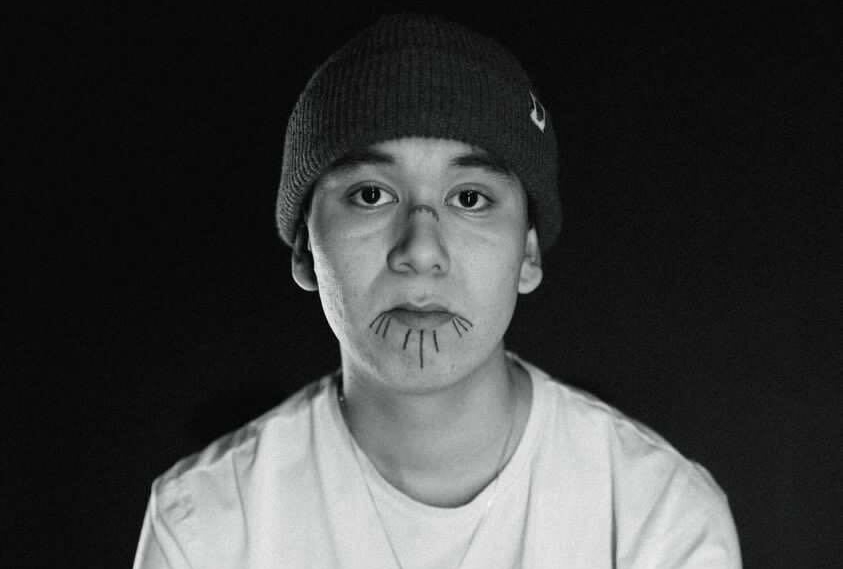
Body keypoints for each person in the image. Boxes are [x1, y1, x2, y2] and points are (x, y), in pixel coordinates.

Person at [133, 13, 741, 569]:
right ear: (304, 250)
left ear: (527, 253)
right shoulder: (206, 526)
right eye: (371, 195)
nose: (421, 250)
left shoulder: (656, 516)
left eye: (470, 198)